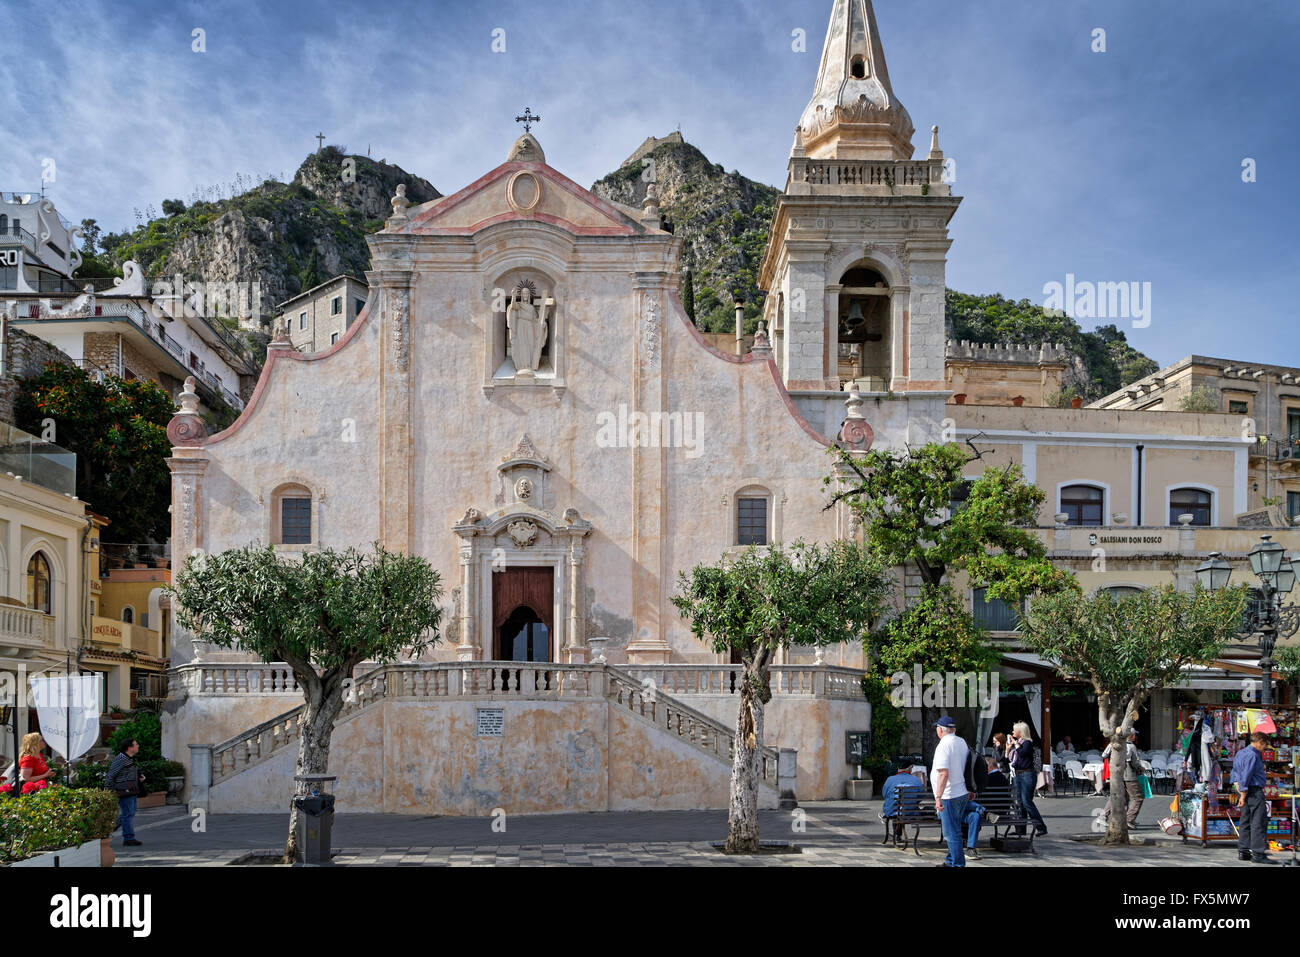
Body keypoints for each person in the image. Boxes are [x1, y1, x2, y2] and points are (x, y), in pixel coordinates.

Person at [931, 716, 972, 867]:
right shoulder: (961, 742)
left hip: (949, 793)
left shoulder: (943, 745)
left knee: (951, 832)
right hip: (961, 791)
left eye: (937, 728)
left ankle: (958, 864)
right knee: (955, 828)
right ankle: (950, 860)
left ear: (940, 730)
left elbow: (943, 773)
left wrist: (938, 797)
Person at [1231, 731, 1276, 864]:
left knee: (1245, 821)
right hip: (1253, 791)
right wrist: (1243, 794)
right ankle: (1258, 853)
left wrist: (1238, 787)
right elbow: (1246, 775)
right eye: (1265, 745)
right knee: (1258, 822)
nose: (1265, 748)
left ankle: (1243, 851)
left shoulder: (1241, 752)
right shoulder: (1253, 755)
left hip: (1243, 789)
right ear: (1260, 742)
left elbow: (1235, 772)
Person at [1008, 721, 1048, 836]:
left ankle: (1041, 827)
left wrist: (1016, 744)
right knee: (1019, 802)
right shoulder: (1018, 743)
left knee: (1027, 802)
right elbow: (1011, 759)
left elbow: (1023, 753)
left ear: (1020, 732)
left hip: (1027, 774)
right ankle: (1021, 829)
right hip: (1018, 774)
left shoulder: (1027, 743)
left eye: (1014, 730)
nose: (1012, 732)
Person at [1101, 730, 1145, 828]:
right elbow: (1135, 763)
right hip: (1128, 773)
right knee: (1137, 797)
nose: (1135, 737)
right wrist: (1140, 768)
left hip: (1116, 772)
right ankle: (1129, 819)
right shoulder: (1131, 746)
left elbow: (1104, 755)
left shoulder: (1113, 743)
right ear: (1130, 736)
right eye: (1134, 735)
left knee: (1118, 795)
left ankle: (1103, 816)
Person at [105, 738, 143, 847]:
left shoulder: (128, 759)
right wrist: (107, 790)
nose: (138, 746)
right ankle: (128, 838)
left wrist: (139, 777)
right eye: (136, 744)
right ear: (130, 748)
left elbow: (127, 773)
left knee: (129, 813)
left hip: (131, 791)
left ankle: (106, 830)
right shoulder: (121, 759)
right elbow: (111, 775)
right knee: (127, 814)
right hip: (124, 791)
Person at [880, 759, 923, 842]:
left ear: (898, 768)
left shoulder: (890, 779)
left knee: (895, 808)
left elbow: (884, 795)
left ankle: (897, 834)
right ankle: (898, 834)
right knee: (904, 808)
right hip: (910, 811)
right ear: (910, 768)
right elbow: (920, 797)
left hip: (892, 811)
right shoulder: (916, 780)